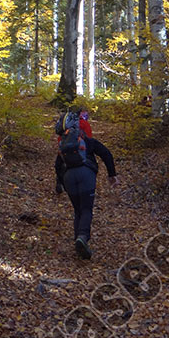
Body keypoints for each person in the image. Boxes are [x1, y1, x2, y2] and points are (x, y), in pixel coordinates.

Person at [54, 110, 117, 260]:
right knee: (86, 209)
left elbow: (57, 166)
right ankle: (82, 237)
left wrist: (62, 183)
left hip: (69, 178)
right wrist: (112, 175)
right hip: (86, 175)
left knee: (78, 210)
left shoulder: (63, 145)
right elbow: (106, 154)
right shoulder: (87, 140)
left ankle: (78, 241)